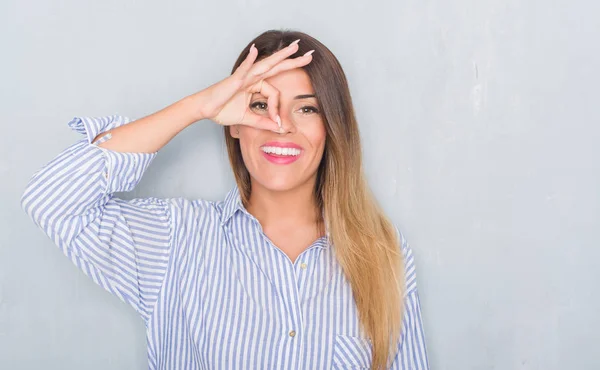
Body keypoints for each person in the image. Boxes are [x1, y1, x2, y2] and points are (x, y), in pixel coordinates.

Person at [20, 29, 429, 370]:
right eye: (259, 105)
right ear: (233, 124)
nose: (280, 125)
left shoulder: (383, 253)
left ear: (331, 128)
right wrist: (198, 107)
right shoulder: (173, 239)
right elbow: (53, 200)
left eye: (306, 110)